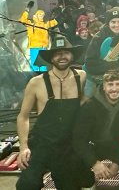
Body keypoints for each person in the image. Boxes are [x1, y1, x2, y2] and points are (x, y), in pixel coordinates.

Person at [16, 35, 86, 190]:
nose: (62, 56)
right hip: (42, 143)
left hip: (67, 145)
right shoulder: (36, 83)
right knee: (27, 184)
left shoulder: (80, 77)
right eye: (57, 53)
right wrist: (23, 146)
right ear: (51, 58)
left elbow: (84, 102)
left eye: (66, 52)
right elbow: (23, 116)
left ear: (72, 55)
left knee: (77, 183)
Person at [73, 68, 119, 188]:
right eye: (110, 84)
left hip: (118, 144)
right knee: (75, 161)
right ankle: (88, 182)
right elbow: (79, 138)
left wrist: (118, 163)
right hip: (95, 145)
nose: (114, 88)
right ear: (104, 86)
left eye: (118, 84)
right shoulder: (89, 105)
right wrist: (94, 163)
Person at [84, 7, 119, 97]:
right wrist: (117, 63)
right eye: (113, 22)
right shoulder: (98, 38)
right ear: (108, 24)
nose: (116, 25)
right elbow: (90, 64)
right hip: (97, 81)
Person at [19, 1, 58, 71]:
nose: (41, 16)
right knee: (35, 66)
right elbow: (22, 20)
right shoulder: (31, 25)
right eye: (40, 14)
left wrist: (59, 14)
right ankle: (35, 78)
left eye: (42, 15)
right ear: (36, 15)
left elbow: (55, 22)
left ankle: (42, 79)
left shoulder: (45, 25)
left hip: (43, 48)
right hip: (34, 47)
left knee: (43, 67)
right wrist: (27, 9)